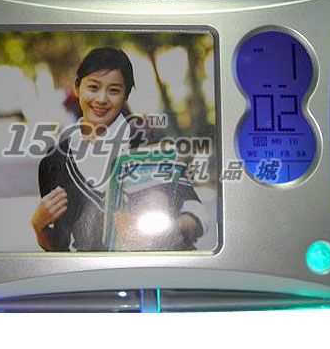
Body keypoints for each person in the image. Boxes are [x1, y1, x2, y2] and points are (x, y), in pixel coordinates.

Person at [31, 47, 206, 251]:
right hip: (97, 272)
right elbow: (60, 250)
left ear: (126, 95)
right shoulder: (55, 161)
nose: (101, 99)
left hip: (156, 265)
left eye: (114, 90)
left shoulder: (150, 142)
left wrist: (167, 229)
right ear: (77, 87)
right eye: (93, 87)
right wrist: (39, 227)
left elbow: (195, 210)